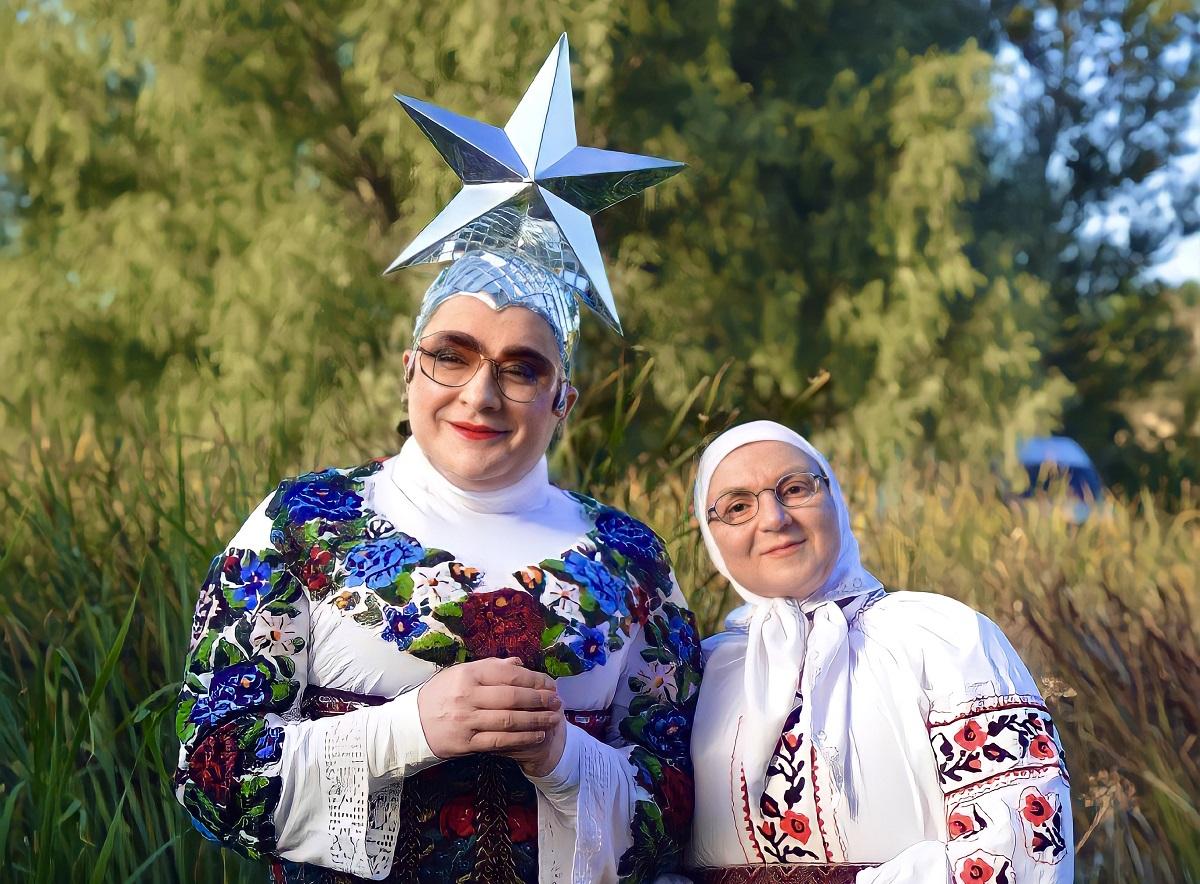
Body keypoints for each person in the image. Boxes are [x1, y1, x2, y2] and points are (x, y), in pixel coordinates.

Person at [174, 36, 701, 883]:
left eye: (522, 369)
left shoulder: (631, 561)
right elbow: (211, 772)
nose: (480, 395)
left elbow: (678, 811)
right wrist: (409, 730)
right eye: (452, 355)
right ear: (409, 370)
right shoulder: (300, 525)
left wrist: (565, 758)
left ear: (563, 400)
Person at [686, 421, 1072, 884]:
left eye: (795, 489)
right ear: (709, 534)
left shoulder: (943, 639)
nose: (773, 518)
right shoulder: (698, 672)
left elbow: (1024, 850)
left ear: (834, 496)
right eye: (737, 507)